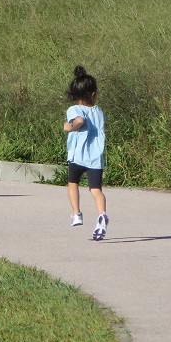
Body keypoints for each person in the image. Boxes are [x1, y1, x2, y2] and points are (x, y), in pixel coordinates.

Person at [63, 65, 109, 241]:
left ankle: (76, 213)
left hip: (78, 156)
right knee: (96, 190)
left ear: (75, 95)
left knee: (73, 183)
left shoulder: (74, 110)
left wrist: (70, 127)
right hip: (96, 157)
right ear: (94, 94)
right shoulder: (99, 112)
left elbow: (80, 121)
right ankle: (102, 214)